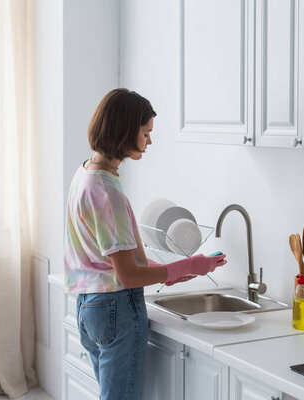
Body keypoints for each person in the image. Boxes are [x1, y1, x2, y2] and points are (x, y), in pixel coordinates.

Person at [64, 88, 227, 400]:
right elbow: (127, 276)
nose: (149, 141)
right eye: (146, 132)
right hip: (115, 308)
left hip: (88, 305)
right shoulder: (107, 190)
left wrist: (169, 271)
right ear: (125, 130)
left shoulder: (85, 173)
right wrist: (191, 264)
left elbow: (106, 256)